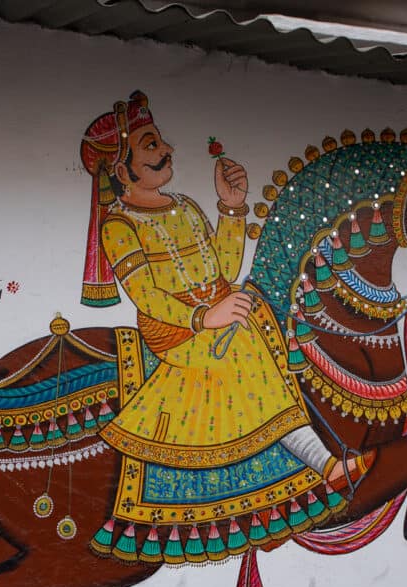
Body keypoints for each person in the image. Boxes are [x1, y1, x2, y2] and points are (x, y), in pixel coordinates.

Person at [79, 90, 371, 490]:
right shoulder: (119, 225)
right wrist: (203, 318)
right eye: (151, 145)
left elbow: (224, 267)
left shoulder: (184, 205)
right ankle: (323, 463)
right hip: (175, 331)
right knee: (241, 349)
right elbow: (147, 297)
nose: (167, 150)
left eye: (161, 141)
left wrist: (231, 206)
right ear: (121, 169)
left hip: (219, 305)